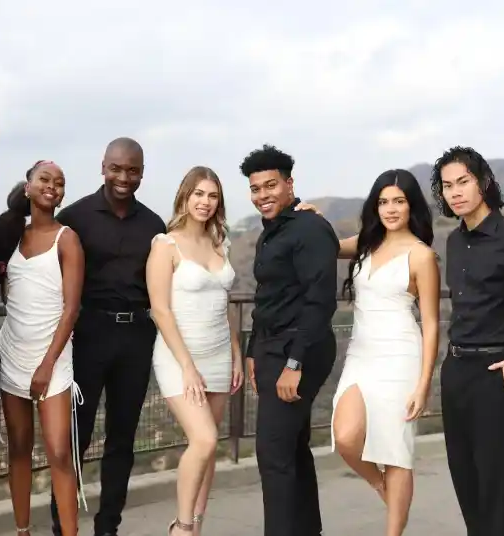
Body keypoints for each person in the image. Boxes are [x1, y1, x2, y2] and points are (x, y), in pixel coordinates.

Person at [49, 137, 166, 536]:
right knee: (72, 439)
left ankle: (107, 528)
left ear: (142, 174)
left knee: (122, 439)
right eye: (117, 168)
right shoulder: (75, 217)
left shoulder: (154, 225)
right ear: (103, 167)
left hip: (136, 335)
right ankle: (61, 526)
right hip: (87, 335)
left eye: (132, 170)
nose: (123, 177)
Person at [331, 169, 440, 536]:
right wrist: (305, 217)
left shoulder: (421, 256)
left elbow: (431, 323)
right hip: (361, 356)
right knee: (346, 437)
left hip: (400, 358)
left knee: (396, 452)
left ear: (411, 206)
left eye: (399, 201)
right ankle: (382, 487)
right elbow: (325, 244)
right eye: (383, 201)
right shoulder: (365, 241)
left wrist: (423, 385)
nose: (390, 209)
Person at [430, 146, 504, 536]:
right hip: (456, 370)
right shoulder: (454, 241)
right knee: (465, 480)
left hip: (497, 373)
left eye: (463, 182)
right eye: (447, 185)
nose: (455, 192)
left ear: (483, 182)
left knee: (493, 486)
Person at [241, 144, 339, 536]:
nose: (263, 195)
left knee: (273, 454)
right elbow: (268, 299)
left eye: (270, 185)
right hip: (270, 347)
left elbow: (320, 302)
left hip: (297, 350)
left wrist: (294, 364)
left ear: (289, 184)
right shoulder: (272, 232)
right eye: (255, 188)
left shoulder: (309, 228)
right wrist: (253, 351)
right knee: (293, 451)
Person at [146, 166, 244, 536]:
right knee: (203, 440)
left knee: (208, 445)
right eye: (198, 194)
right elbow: (160, 310)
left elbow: (224, 301)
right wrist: (187, 366)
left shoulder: (222, 242)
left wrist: (235, 350)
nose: (205, 202)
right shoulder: (164, 244)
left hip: (219, 354)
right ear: (185, 197)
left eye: (212, 195)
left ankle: (198, 525)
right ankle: (182, 527)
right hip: (178, 358)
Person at [0, 161, 86, 536]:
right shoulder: (11, 236)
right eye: (45, 180)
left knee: (59, 453)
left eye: (59, 183)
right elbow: (5, 291)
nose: (53, 186)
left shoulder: (68, 239)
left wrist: (47, 365)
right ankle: (22, 531)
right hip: (12, 354)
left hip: (53, 359)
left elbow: (72, 308)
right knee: (18, 449)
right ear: (28, 186)